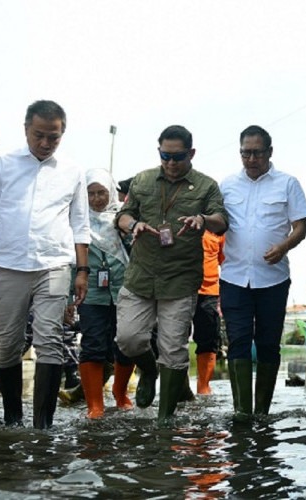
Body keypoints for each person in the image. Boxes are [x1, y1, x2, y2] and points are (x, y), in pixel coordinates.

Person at [0, 100, 91, 429]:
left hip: (54, 265)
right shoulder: (3, 165)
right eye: (39, 135)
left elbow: (80, 225)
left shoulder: (72, 171)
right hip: (8, 265)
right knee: (7, 342)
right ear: (26, 130)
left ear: (62, 134)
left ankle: (43, 426)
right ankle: (12, 420)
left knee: (49, 338)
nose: (45, 143)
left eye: (54, 137)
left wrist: (82, 271)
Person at [115, 125, 227, 422]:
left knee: (174, 350)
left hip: (180, 278)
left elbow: (221, 220)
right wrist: (132, 225)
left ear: (191, 153)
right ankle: (149, 370)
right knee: (128, 339)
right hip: (141, 274)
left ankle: (165, 421)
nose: (171, 163)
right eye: (165, 156)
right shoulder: (142, 180)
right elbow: (122, 215)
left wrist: (202, 219)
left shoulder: (206, 186)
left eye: (177, 156)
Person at [220, 125, 306, 417]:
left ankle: (262, 413)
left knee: (269, 343)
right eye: (245, 152)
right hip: (233, 277)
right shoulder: (227, 185)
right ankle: (242, 413)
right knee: (238, 340)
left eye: (257, 152)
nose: (251, 158)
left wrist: (283, 246)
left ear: (269, 152)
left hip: (273, 279)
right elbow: (216, 221)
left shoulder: (287, 183)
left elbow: (300, 228)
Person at [76, 168, 135, 419]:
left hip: (124, 290)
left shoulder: (121, 219)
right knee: (92, 344)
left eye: (102, 192)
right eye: (90, 193)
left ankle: (120, 394)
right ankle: (95, 405)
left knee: (127, 342)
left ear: (111, 192)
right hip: (90, 292)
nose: (97, 199)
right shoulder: (77, 221)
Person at [192, 230, 226, 395]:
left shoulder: (217, 227)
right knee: (173, 339)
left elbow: (226, 262)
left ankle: (203, 386)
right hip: (177, 289)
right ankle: (180, 386)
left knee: (210, 336)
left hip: (209, 291)